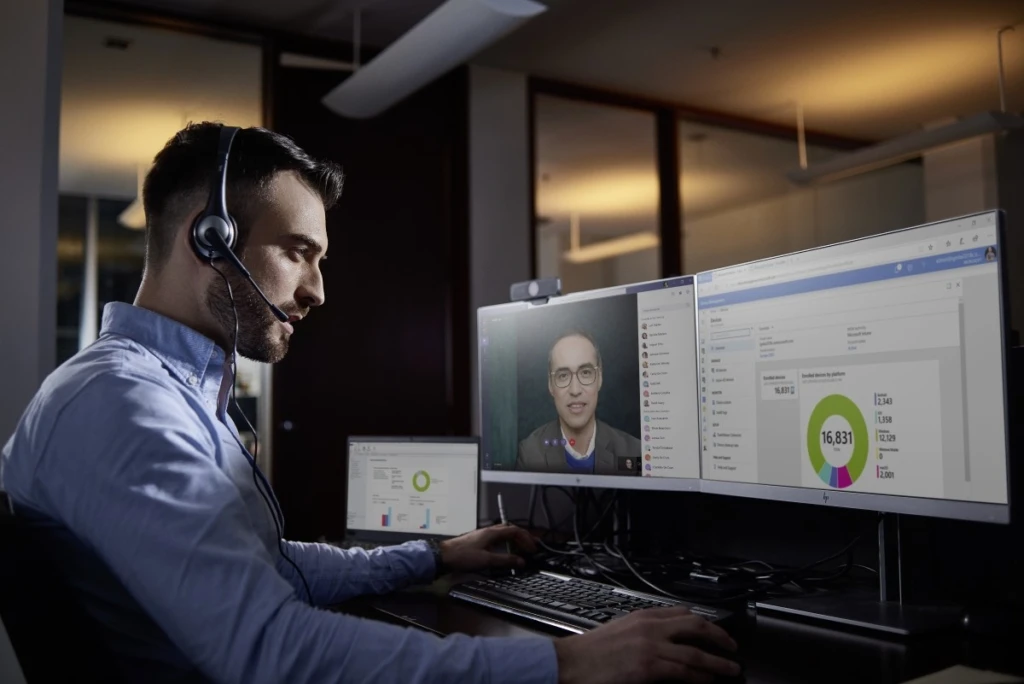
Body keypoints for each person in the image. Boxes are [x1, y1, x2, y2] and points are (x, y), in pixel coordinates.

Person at [0, 123, 738, 684]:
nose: (317, 291)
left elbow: (265, 567)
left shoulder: (149, 392)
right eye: (298, 252)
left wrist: (429, 558)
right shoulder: (127, 407)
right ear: (211, 239)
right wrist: (563, 665)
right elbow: (268, 648)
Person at [516, 331, 643, 475]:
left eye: (586, 373)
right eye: (563, 376)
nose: (575, 390)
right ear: (550, 385)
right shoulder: (530, 455)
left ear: (599, 378)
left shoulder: (633, 452)